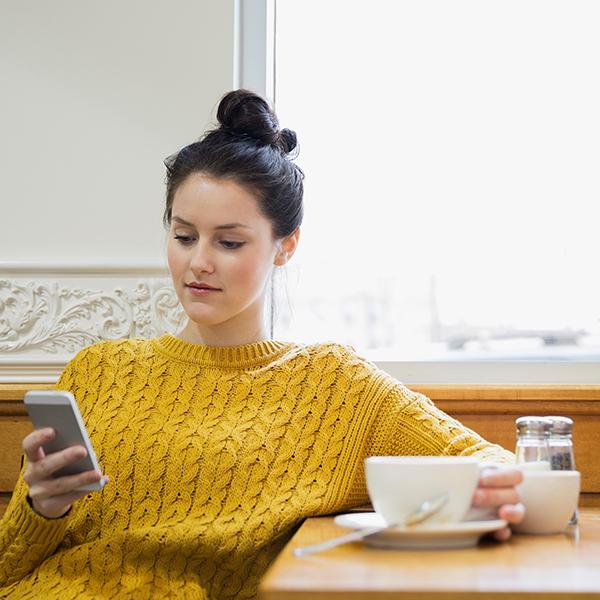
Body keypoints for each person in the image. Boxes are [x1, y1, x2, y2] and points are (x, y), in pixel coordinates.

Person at [0, 90, 524, 600]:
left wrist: (476, 499)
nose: (198, 262)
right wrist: (43, 508)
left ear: (285, 245)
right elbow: (7, 568)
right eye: (184, 237)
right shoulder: (97, 372)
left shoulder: (335, 386)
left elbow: (490, 464)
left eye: (229, 242)